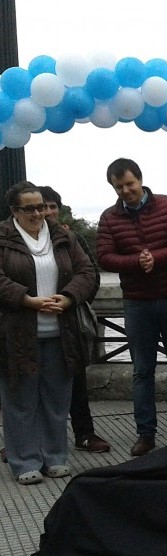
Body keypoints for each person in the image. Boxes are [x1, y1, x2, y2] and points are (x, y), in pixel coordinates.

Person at [97, 158, 167, 457]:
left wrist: (156, 256)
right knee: (142, 371)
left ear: (140, 179)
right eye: (119, 187)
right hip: (137, 303)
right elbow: (103, 256)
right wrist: (136, 262)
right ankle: (145, 434)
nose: (126, 191)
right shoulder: (109, 218)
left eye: (129, 184)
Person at [0, 181, 97, 484]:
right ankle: (25, 461)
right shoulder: (2, 238)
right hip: (17, 335)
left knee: (57, 398)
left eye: (40, 206)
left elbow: (87, 272)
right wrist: (26, 299)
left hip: (61, 332)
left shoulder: (64, 236)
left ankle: (55, 457)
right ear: (14, 211)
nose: (38, 213)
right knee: (20, 401)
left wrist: (68, 297)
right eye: (29, 208)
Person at [38, 186, 111, 453]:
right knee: (32, 385)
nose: (46, 212)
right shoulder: (18, 240)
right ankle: (26, 440)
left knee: (76, 381)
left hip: (68, 322)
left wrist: (70, 299)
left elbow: (91, 275)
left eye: (52, 206)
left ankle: (85, 434)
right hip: (32, 321)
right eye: (41, 206)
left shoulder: (71, 237)